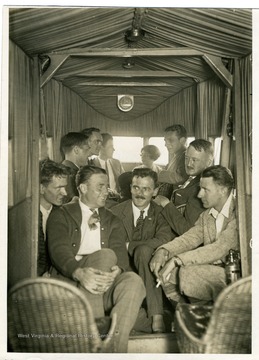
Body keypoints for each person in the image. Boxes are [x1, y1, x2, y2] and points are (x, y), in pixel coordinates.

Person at [47, 165, 145, 352]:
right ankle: (93, 341)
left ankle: (113, 347)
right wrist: (78, 272)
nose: (106, 191)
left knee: (133, 280)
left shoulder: (112, 219)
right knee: (105, 255)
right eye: (100, 186)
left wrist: (120, 269)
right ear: (83, 188)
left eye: (107, 186)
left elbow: (120, 254)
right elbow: (58, 250)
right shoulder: (62, 214)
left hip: (103, 282)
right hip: (71, 280)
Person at [150, 165, 238, 306]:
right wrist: (164, 251)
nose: (199, 195)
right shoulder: (207, 216)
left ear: (223, 190)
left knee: (186, 272)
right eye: (200, 189)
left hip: (241, 276)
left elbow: (221, 247)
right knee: (166, 273)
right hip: (218, 272)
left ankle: (204, 315)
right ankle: (196, 314)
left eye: (205, 190)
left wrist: (177, 260)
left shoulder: (241, 213)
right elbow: (188, 239)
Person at [111, 168, 174, 333]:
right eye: (136, 187)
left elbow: (164, 239)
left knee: (144, 251)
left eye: (146, 189)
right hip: (123, 269)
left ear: (155, 191)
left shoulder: (161, 213)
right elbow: (111, 243)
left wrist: (130, 245)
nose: (139, 193)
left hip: (150, 268)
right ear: (130, 187)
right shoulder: (115, 212)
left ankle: (156, 315)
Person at [155, 139, 214, 236]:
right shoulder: (190, 178)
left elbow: (187, 231)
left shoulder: (201, 189)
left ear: (208, 162)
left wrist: (165, 203)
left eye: (195, 160)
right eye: (186, 158)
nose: (189, 164)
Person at [38, 158, 69, 276]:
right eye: (58, 188)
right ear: (42, 188)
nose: (65, 193)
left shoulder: (62, 213)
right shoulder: (25, 217)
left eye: (65, 187)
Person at [157, 124, 188, 198]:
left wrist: (158, 175)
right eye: (165, 140)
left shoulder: (186, 156)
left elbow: (182, 178)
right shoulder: (176, 155)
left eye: (170, 140)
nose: (166, 144)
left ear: (182, 140)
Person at [60, 132, 90, 202]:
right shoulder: (69, 173)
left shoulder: (64, 169)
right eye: (87, 149)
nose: (89, 154)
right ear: (76, 150)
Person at [92, 133, 125, 198]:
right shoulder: (91, 164)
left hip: (117, 200)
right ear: (101, 148)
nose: (113, 149)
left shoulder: (117, 163)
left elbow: (124, 183)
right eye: (110, 147)